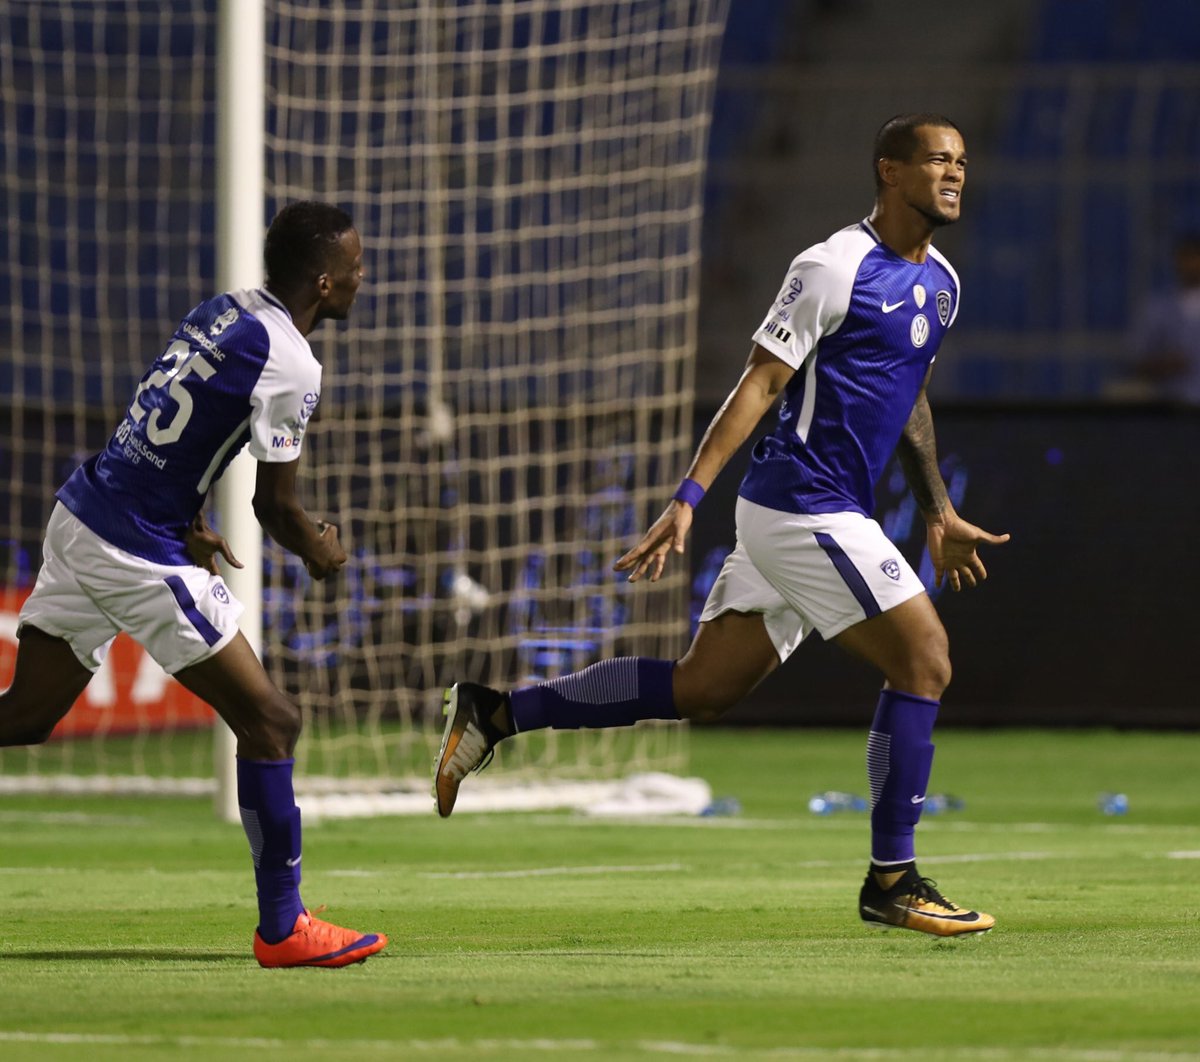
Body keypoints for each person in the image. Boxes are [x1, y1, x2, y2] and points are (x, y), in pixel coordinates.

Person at [434, 114, 1010, 938]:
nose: (954, 175)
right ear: (889, 171)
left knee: (702, 687)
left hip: (821, 511)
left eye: (961, 162)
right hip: (801, 505)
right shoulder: (830, 267)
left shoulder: (943, 284)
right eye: (935, 161)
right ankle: (892, 879)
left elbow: (908, 391)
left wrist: (938, 511)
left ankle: (496, 713)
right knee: (925, 659)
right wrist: (687, 500)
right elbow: (761, 383)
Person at [0, 201, 387, 968]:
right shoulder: (294, 360)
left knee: (27, 716)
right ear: (323, 280)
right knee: (272, 720)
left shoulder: (225, 310)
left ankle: (285, 925)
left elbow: (162, 424)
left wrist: (185, 517)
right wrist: (321, 552)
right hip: (133, 549)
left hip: (84, 513)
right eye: (354, 267)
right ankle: (284, 929)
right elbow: (274, 507)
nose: (361, 277)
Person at [1128, 232, 1200, 404]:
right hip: (1172, 409)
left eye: (1195, 257)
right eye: (1185, 257)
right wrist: (1162, 364)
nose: (1191, 264)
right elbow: (1136, 361)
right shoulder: (1156, 308)